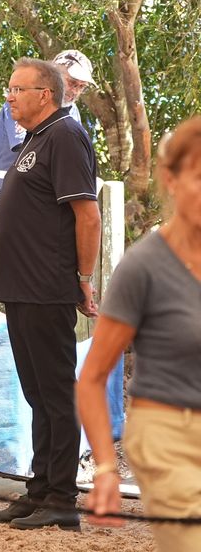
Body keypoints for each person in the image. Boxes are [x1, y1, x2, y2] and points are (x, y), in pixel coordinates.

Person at [0, 58, 101, 531]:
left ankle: (62, 498)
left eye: (17, 89)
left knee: (55, 393)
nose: (8, 97)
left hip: (48, 286)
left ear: (45, 94)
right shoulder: (35, 139)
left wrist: (84, 279)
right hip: (21, 289)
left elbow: (86, 215)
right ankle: (40, 489)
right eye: (8, 88)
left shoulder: (66, 136)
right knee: (36, 394)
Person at [78, 118, 201, 550]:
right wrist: (107, 469)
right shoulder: (143, 267)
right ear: (170, 179)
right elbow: (92, 378)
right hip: (167, 434)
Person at [0, 49, 94, 203]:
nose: (75, 91)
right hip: (8, 192)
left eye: (82, 86)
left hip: (42, 195)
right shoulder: (20, 101)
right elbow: (33, 155)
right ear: (53, 77)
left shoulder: (72, 111)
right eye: (72, 83)